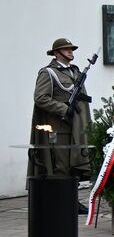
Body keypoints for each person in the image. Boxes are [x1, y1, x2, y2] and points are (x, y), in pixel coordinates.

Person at [30, 38, 93, 213]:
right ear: (56, 53)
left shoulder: (74, 71)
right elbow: (40, 98)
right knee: (61, 166)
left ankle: (72, 202)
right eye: (66, 49)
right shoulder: (48, 73)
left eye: (71, 49)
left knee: (74, 165)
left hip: (75, 127)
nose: (71, 51)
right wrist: (63, 109)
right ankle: (60, 203)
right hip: (60, 127)